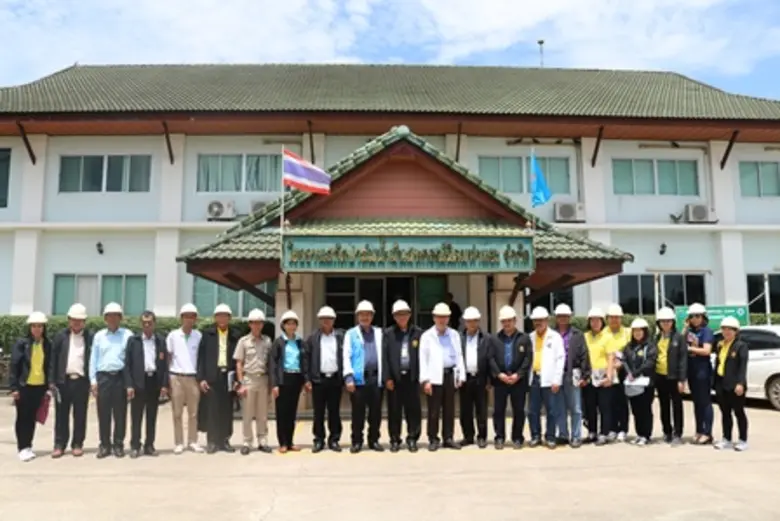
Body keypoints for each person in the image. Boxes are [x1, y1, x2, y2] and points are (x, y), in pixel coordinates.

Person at [420, 303, 466, 451]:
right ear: (434, 318)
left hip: (450, 375)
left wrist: (461, 375)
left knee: (449, 409)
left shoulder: (454, 335)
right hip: (434, 376)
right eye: (439, 317)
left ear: (448, 318)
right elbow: (423, 359)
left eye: (445, 317)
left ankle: (448, 437)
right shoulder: (427, 336)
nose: (442, 320)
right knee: (433, 410)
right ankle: (433, 438)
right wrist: (425, 380)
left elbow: (459, 356)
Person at [90, 302, 133, 458]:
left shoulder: (127, 335)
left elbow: (131, 360)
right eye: (109, 316)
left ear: (120, 318)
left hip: (121, 377)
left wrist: (130, 384)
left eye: (116, 316)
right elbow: (93, 359)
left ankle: (118, 444)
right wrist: (93, 380)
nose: (113, 319)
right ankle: (104, 445)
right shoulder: (99, 336)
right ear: (105, 318)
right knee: (103, 413)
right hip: (103, 378)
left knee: (120, 413)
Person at [49, 303, 92, 458]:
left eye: (80, 320)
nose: (76, 323)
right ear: (69, 320)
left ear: (84, 322)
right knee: (61, 415)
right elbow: (53, 360)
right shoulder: (60, 336)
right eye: (74, 320)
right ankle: (59, 444)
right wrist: (51, 381)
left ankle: (77, 443)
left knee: (80, 414)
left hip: (81, 381)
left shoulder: (90, 337)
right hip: (63, 382)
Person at [124, 311, 169, 458]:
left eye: (150, 322)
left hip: (154, 381)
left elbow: (165, 365)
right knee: (136, 417)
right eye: (144, 323)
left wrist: (164, 385)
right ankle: (135, 446)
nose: (147, 325)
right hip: (138, 382)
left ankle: (149, 445)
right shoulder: (133, 341)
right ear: (141, 324)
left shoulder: (161, 341)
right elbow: (127, 364)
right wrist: (129, 385)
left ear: (154, 323)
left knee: (151, 416)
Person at [343, 300, 385, 453]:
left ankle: (373, 440)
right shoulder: (351, 334)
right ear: (357, 316)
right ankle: (357, 441)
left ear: (372, 316)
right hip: (358, 380)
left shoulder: (380, 333)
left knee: (375, 413)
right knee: (357, 414)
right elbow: (346, 356)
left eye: (368, 314)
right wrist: (348, 377)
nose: (365, 317)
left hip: (375, 379)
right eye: (362, 314)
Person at [487, 305, 532, 450]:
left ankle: (517, 437)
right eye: (504, 321)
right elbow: (490, 358)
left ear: (515, 320)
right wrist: (498, 374)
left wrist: (518, 375)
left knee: (518, 410)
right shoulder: (494, 339)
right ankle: (499, 437)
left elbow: (527, 359)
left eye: (509, 320)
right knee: (499, 410)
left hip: (518, 380)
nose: (506, 324)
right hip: (500, 380)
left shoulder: (524, 338)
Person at [10, 312, 52, 462]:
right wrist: (14, 387)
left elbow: (48, 366)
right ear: (30, 327)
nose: (37, 329)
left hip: (39, 386)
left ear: (43, 328)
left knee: (33, 417)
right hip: (24, 386)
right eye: (34, 326)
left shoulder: (47, 344)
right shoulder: (22, 343)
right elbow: (14, 365)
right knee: (22, 417)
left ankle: (29, 446)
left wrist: (48, 386)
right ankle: (22, 447)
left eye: (40, 326)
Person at [197, 303, 239, 454]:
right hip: (211, 376)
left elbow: (238, 358)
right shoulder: (207, 334)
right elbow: (200, 358)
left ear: (229, 318)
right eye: (219, 316)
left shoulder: (234, 335)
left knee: (226, 410)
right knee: (212, 410)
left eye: (225, 316)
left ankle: (225, 440)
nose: (222, 318)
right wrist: (201, 378)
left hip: (228, 376)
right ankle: (212, 441)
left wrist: (237, 379)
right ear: (215, 318)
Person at [383, 299, 423, 452]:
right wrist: (387, 378)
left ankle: (412, 438)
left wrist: (422, 377)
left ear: (410, 315)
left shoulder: (418, 333)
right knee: (394, 411)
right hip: (395, 378)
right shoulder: (388, 334)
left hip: (412, 378)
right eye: (398, 315)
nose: (402, 317)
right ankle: (395, 439)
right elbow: (385, 358)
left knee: (413, 410)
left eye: (405, 314)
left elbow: (423, 356)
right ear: (394, 316)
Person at [235, 308, 273, 455]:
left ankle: (262, 441)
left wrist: (271, 383)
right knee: (247, 413)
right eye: (254, 323)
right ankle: (246, 441)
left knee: (262, 413)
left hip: (263, 379)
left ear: (262, 325)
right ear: (250, 324)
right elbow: (239, 363)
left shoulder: (268, 341)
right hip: (248, 379)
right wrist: (241, 383)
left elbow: (270, 363)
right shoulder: (243, 342)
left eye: (259, 323)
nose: (257, 326)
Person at [166, 303, 204, 454]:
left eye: (192, 316)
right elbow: (168, 357)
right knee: (177, 412)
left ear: (195, 319)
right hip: (177, 377)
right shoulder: (173, 335)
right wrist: (168, 378)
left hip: (193, 378)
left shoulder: (199, 336)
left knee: (194, 413)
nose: (189, 319)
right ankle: (179, 442)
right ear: (181, 318)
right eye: (186, 316)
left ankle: (193, 441)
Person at [305, 306, 344, 453]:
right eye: (323, 319)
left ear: (334, 320)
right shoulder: (313, 338)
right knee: (318, 412)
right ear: (319, 321)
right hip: (318, 380)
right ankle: (319, 440)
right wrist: (307, 379)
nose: (326, 321)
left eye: (329, 319)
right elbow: (306, 360)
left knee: (334, 411)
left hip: (335, 379)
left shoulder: (341, 337)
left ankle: (334, 439)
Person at [526, 307, 565, 449]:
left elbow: (561, 359)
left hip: (550, 379)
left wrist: (557, 379)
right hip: (534, 378)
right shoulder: (530, 337)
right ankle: (535, 436)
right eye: (535, 321)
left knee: (552, 410)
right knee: (532, 410)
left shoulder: (555, 337)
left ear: (546, 321)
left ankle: (550, 437)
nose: (538, 323)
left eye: (541, 320)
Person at [552, 303, 590, 448]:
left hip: (573, 374)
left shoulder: (577, 334)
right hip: (556, 374)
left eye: (565, 316)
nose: (562, 319)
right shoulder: (551, 333)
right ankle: (562, 434)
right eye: (560, 316)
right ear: (556, 317)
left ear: (570, 317)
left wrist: (585, 375)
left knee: (575, 407)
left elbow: (584, 355)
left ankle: (576, 436)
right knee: (559, 406)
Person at [271, 310, 308, 453]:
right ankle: (283, 442)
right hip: (282, 379)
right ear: (283, 325)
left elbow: (304, 361)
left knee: (292, 412)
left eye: (294, 323)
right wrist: (274, 384)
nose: (291, 326)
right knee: (282, 412)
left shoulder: (300, 342)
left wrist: (305, 380)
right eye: (288, 323)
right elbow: (273, 364)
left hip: (295, 378)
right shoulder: (279, 343)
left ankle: (291, 441)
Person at [713, 316, 749, 451]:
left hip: (735, 385)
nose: (727, 332)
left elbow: (742, 366)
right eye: (724, 329)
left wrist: (740, 383)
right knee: (725, 412)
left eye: (730, 329)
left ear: (736, 331)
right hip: (721, 383)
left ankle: (743, 440)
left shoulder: (741, 346)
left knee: (739, 412)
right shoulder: (720, 345)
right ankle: (726, 438)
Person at [622, 318, 657, 446]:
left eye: (640, 331)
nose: (637, 333)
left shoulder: (650, 346)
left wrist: (635, 373)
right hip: (632, 383)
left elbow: (650, 362)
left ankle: (646, 435)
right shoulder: (629, 346)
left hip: (646, 383)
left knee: (645, 409)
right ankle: (639, 434)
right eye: (635, 331)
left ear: (645, 331)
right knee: (636, 409)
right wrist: (628, 372)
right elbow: (624, 359)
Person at [654, 307, 687, 445]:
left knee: (677, 406)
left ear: (673, 322)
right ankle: (667, 431)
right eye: (663, 321)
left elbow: (683, 359)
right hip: (660, 376)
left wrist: (681, 379)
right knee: (664, 405)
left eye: (668, 321)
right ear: (659, 323)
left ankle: (678, 433)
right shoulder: (656, 337)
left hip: (674, 377)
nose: (666, 324)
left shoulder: (679, 337)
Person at [458, 306, 489, 449]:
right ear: (465, 322)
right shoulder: (459, 338)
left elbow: (490, 359)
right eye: (469, 321)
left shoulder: (486, 338)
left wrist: (489, 380)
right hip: (465, 378)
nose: (472, 324)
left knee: (481, 409)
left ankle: (482, 437)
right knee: (465, 410)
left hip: (480, 378)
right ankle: (468, 436)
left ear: (479, 321)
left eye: (474, 321)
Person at [684, 303, 715, 445]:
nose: (695, 319)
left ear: (703, 317)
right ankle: (699, 430)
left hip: (703, 370)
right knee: (696, 402)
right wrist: (685, 327)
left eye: (698, 316)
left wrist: (689, 348)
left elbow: (707, 350)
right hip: (692, 369)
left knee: (705, 402)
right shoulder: (690, 331)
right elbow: (680, 340)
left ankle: (707, 433)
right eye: (692, 316)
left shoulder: (706, 331)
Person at [583, 307, 613, 446]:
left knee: (604, 406)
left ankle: (604, 433)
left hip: (602, 376)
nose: (595, 323)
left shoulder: (607, 337)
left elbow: (611, 358)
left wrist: (609, 376)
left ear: (602, 322)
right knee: (590, 406)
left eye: (597, 320)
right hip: (589, 375)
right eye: (592, 320)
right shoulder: (585, 336)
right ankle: (592, 432)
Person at [605, 304, 631, 442]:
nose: (614, 320)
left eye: (617, 317)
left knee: (622, 402)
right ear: (607, 319)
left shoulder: (627, 332)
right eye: (612, 317)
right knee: (610, 402)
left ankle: (623, 429)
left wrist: (621, 363)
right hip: (608, 371)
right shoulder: (604, 333)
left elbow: (630, 351)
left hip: (622, 371)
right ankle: (612, 428)